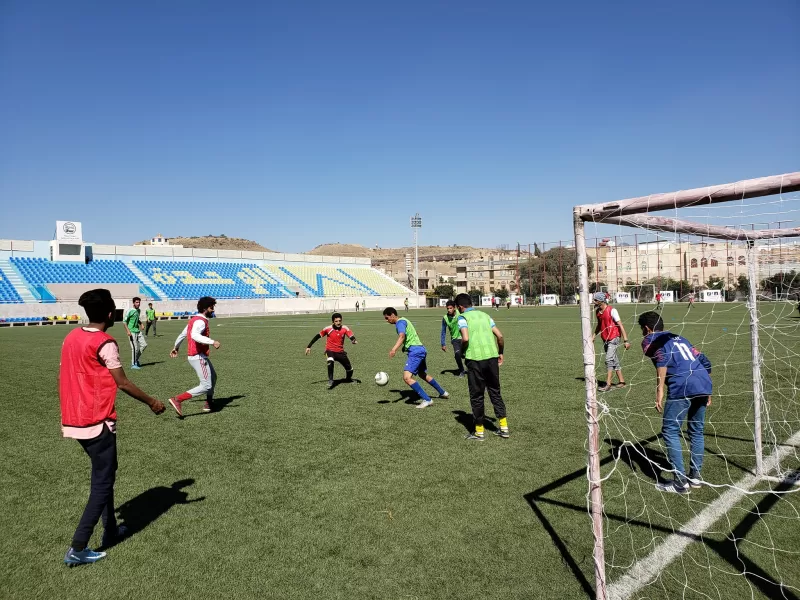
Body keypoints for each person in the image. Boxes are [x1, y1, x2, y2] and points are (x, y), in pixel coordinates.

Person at [60, 289, 165, 566]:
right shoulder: (105, 342)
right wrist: (152, 402)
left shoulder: (72, 336)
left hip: (75, 418)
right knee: (103, 483)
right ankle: (78, 547)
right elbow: (123, 383)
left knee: (103, 476)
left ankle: (109, 530)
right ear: (110, 314)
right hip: (97, 421)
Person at [639, 311, 712, 494]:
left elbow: (662, 359)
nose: (642, 333)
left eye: (642, 329)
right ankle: (695, 477)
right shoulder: (681, 338)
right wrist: (707, 389)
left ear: (646, 328)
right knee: (696, 431)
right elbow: (705, 361)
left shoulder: (649, 340)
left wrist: (660, 391)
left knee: (670, 431)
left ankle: (680, 483)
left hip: (682, 385)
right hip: (702, 383)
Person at [454, 293, 508, 441]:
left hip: (475, 359)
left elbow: (465, 337)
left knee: (477, 395)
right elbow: (500, 336)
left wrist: (463, 350)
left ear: (460, 307)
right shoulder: (485, 315)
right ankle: (504, 428)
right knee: (495, 392)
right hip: (491, 357)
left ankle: (479, 432)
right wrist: (500, 352)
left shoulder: (462, 318)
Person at [383, 307, 448, 408]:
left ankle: (427, 399)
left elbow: (402, 336)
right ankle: (443, 392)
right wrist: (406, 346)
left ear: (392, 314)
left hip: (415, 352)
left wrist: (394, 349)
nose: (386, 320)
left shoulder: (400, 323)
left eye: (387, 318)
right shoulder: (406, 320)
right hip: (421, 349)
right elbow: (414, 333)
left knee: (407, 377)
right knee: (422, 374)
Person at [167, 297, 221, 417]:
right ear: (205, 308)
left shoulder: (194, 320)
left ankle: (209, 402)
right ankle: (178, 399)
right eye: (211, 307)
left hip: (198, 356)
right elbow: (195, 335)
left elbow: (183, 334)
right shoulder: (200, 321)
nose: (213, 310)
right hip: (198, 357)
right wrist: (212, 341)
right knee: (206, 385)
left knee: (213, 377)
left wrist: (176, 347)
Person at [306, 312, 358, 388]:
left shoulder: (345, 328)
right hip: (330, 351)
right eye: (336, 321)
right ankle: (331, 380)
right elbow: (317, 336)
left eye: (340, 321)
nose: (338, 323)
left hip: (340, 352)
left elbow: (351, 335)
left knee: (350, 369)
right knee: (330, 360)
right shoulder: (327, 329)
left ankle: (348, 379)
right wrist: (309, 346)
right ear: (333, 321)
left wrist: (353, 340)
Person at [592, 292, 631, 391]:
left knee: (609, 359)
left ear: (601, 301)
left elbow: (620, 325)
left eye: (595, 300)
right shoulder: (598, 312)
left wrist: (626, 340)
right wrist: (593, 336)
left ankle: (608, 384)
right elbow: (599, 325)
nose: (594, 302)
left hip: (614, 337)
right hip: (605, 338)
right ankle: (622, 381)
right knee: (614, 359)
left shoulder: (612, 310)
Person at [440, 300, 466, 377]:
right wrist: (443, 343)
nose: (449, 310)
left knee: (468, 355)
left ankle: (471, 368)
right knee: (457, 354)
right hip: (455, 340)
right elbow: (443, 331)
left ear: (454, 308)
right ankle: (462, 370)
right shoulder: (445, 318)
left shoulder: (460, 313)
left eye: (450, 308)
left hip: (464, 337)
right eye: (447, 308)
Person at [123, 297, 147, 368]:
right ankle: (133, 364)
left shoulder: (138, 310)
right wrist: (128, 331)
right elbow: (124, 322)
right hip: (131, 331)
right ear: (133, 303)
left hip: (137, 331)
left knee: (144, 345)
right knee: (135, 348)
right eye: (136, 302)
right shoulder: (130, 310)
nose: (138, 304)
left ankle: (135, 360)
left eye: (139, 302)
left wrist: (141, 324)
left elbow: (137, 318)